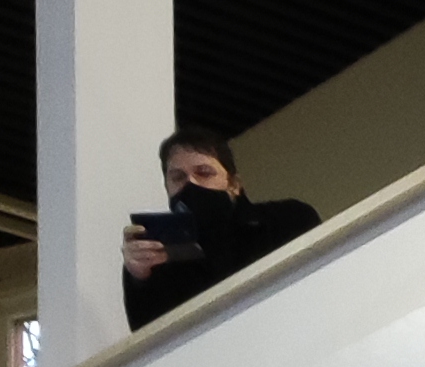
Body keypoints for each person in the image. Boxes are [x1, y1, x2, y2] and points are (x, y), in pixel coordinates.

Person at [121, 129, 316, 330]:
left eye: (204, 173)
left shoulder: (288, 219)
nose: (190, 184)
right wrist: (140, 278)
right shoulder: (160, 259)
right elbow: (152, 336)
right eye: (178, 177)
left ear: (234, 184)